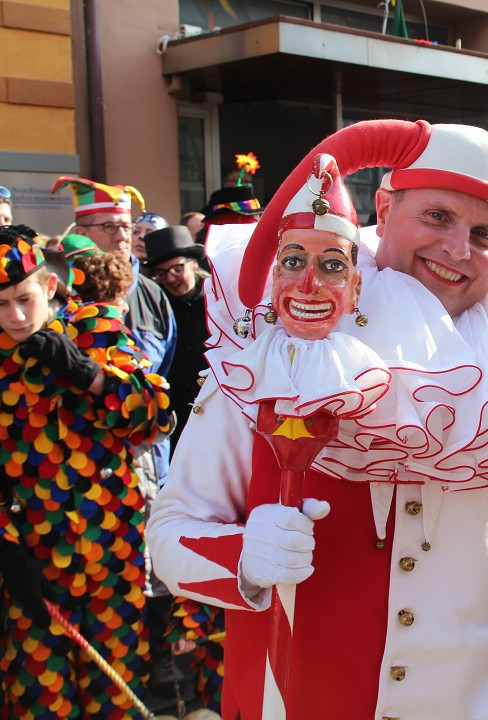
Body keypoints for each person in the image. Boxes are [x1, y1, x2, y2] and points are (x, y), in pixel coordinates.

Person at [147, 120, 488, 719]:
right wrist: (241, 556)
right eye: (438, 217)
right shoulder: (272, 351)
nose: (457, 249)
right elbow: (171, 535)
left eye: (483, 233)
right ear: (385, 206)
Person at [0, 224, 171, 717]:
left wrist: (88, 374)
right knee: (41, 701)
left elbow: (158, 418)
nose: (15, 316)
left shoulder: (96, 331)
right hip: (34, 568)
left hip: (111, 560)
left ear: (49, 287)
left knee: (116, 699)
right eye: (1, 304)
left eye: (24, 299)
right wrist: (10, 556)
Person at [51, 176, 177, 487]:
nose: (123, 237)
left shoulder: (153, 292)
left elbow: (168, 368)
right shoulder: (58, 296)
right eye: (110, 227)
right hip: (80, 465)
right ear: (82, 233)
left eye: (127, 226)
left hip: (148, 460)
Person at [144, 225, 211, 445]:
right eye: (162, 273)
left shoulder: (217, 300)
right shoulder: (155, 305)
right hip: (173, 411)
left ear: (192, 264)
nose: (171, 278)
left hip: (212, 407)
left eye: (176, 269)